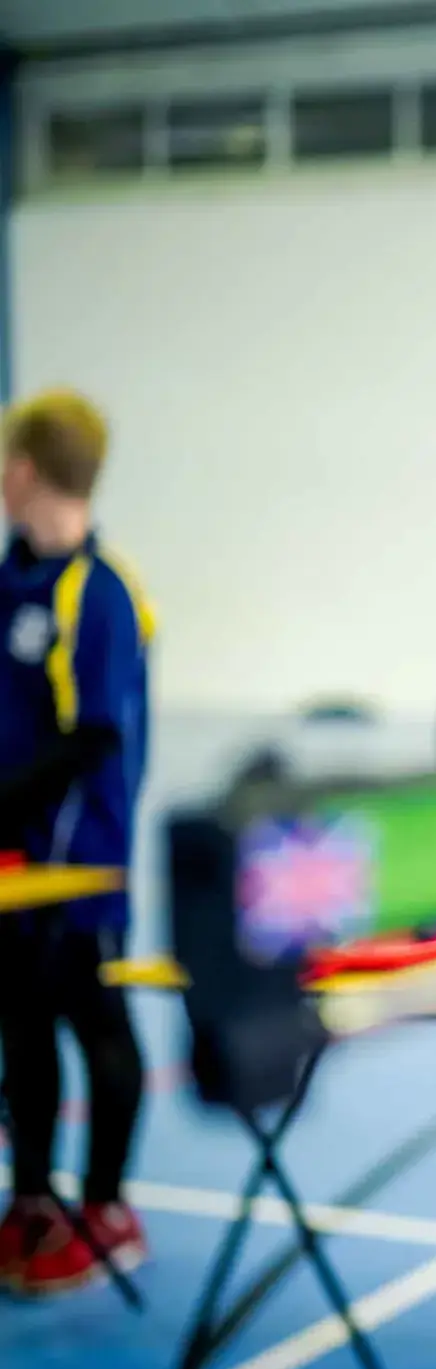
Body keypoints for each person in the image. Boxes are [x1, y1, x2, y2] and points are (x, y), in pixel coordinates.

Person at [0, 387, 156, 1297]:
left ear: (23, 471)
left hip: (81, 859)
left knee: (95, 1021)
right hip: (12, 872)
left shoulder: (101, 593)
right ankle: (31, 1200)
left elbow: (92, 734)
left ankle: (107, 1209)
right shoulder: (9, 579)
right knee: (20, 1030)